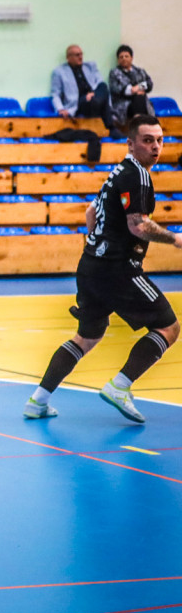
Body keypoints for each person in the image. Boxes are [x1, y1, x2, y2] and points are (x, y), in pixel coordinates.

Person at [23, 115, 181, 423]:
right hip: (118, 268)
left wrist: (96, 244)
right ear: (131, 143)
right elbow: (138, 226)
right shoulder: (138, 175)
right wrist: (174, 238)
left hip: (91, 265)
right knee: (169, 327)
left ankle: (38, 401)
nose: (156, 147)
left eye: (160, 140)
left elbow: (90, 212)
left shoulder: (118, 172)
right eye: (148, 140)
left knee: (88, 336)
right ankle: (120, 386)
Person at [51, 44, 124, 139]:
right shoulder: (59, 72)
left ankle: (96, 101)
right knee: (95, 100)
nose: (80, 57)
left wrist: (94, 94)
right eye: (77, 55)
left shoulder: (90, 66)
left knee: (103, 86)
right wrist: (60, 108)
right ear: (68, 57)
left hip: (94, 98)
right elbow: (55, 93)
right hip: (79, 103)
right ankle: (111, 128)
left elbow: (100, 83)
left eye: (81, 54)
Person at [108, 44, 155, 130]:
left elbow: (149, 84)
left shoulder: (140, 71)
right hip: (123, 106)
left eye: (126, 56)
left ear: (131, 58)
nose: (124, 59)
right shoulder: (114, 73)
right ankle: (139, 126)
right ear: (118, 60)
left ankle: (138, 123)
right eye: (121, 57)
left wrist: (137, 88)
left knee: (139, 98)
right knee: (139, 96)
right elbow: (118, 89)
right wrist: (137, 90)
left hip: (141, 102)